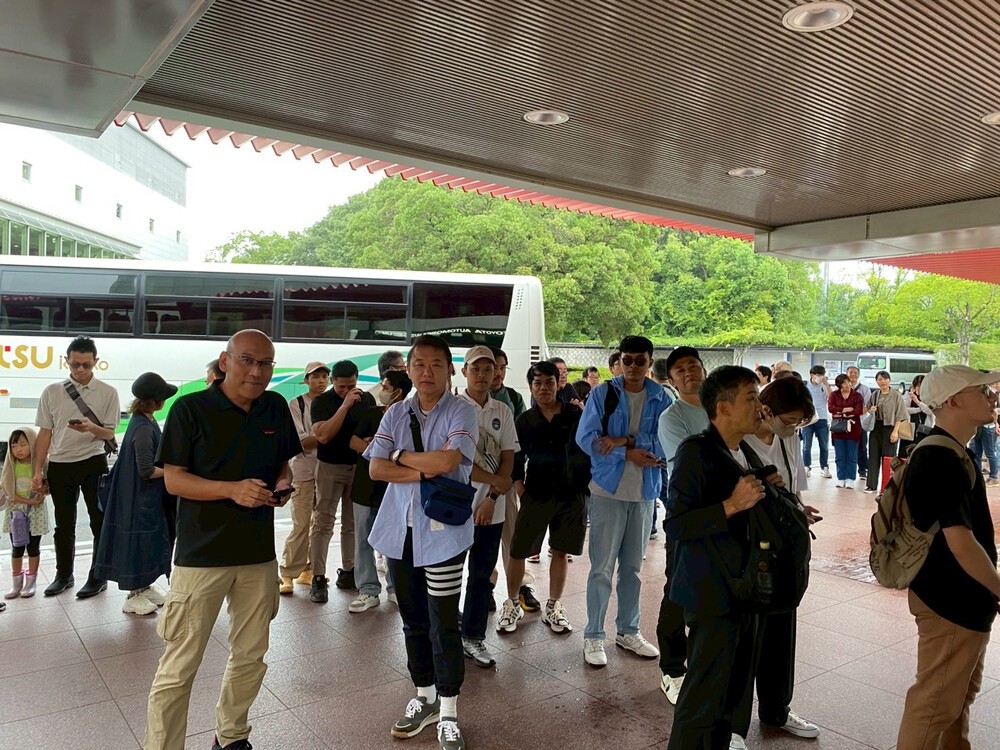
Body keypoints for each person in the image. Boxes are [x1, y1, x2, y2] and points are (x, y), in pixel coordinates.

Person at [144, 329, 300, 750]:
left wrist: (282, 483)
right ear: (226, 361)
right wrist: (231, 490)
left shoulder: (274, 406)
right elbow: (175, 481)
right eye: (247, 360)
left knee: (250, 656)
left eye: (265, 363)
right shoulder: (190, 408)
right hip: (201, 556)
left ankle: (231, 737)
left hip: (257, 555)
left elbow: (282, 463)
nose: (257, 371)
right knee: (180, 664)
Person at [366, 334, 478, 750]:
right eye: (419, 364)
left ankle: (448, 710)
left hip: (444, 536)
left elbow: (449, 461)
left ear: (450, 370)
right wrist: (420, 469)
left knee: (443, 622)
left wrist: (399, 457)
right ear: (408, 370)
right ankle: (425, 697)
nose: (427, 372)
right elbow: (375, 470)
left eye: (436, 364)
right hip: (400, 532)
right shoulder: (396, 412)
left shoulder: (462, 410)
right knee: (413, 620)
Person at [665, 366, 769, 749]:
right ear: (723, 408)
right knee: (703, 694)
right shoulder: (695, 452)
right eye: (751, 398)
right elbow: (677, 523)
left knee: (733, 690)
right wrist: (731, 505)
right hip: (711, 592)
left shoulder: (745, 452)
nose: (759, 407)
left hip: (743, 588)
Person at [896, 365, 1000, 748]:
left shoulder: (957, 452)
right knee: (935, 704)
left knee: (956, 701)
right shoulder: (940, 458)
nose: (992, 396)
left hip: (963, 599)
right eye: (982, 391)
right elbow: (961, 543)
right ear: (954, 401)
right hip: (950, 601)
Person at [577, 335, 669, 667]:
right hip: (607, 491)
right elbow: (587, 439)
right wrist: (627, 453)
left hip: (644, 493)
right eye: (626, 360)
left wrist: (625, 440)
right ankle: (593, 635)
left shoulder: (662, 397)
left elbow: (667, 441)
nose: (632, 366)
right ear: (619, 362)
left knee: (633, 569)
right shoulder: (604, 394)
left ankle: (628, 630)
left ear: (649, 363)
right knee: (601, 568)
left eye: (639, 361)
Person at [739, 377, 822, 743]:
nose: (794, 428)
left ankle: (777, 710)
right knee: (746, 639)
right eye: (790, 421)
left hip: (784, 553)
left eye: (800, 422)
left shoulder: (789, 438)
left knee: (781, 634)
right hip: (750, 552)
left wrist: (800, 509)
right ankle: (733, 726)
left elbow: (792, 486)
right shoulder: (740, 440)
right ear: (767, 410)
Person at [499, 361, 590, 635]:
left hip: (571, 494)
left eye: (549, 382)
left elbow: (589, 448)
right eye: (537, 383)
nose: (543, 388)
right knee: (518, 551)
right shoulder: (524, 420)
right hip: (536, 493)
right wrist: (520, 487)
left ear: (557, 384)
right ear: (531, 387)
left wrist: (584, 488)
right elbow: (516, 457)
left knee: (561, 550)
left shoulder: (575, 414)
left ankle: (553, 606)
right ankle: (512, 603)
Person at [33, 336, 120, 598]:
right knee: (63, 524)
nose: (80, 370)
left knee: (98, 522)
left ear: (96, 362)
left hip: (93, 461)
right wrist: (38, 470)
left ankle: (98, 577)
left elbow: (109, 433)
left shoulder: (108, 392)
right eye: (75, 364)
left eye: (86, 365)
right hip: (60, 464)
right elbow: (44, 433)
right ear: (66, 361)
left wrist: (91, 428)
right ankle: (63, 575)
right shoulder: (51, 392)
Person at [93, 373, 178, 615]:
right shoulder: (143, 428)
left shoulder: (142, 420)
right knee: (138, 543)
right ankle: (133, 594)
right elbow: (146, 470)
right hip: (140, 499)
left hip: (141, 497)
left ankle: (144, 586)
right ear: (156, 401)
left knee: (146, 542)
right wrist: (175, 472)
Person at [655, 346, 709, 705]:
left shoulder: (721, 407)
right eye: (680, 370)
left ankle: (703, 662)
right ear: (672, 380)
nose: (688, 373)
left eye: (693, 366)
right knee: (678, 588)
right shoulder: (672, 417)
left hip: (725, 511)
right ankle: (672, 669)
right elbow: (690, 463)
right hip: (688, 511)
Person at [458, 346, 518, 667]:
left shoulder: (502, 411)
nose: (482, 375)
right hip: (455, 508)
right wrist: (498, 482)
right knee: (447, 575)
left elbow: (508, 457)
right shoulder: (452, 408)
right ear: (464, 371)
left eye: (489, 369)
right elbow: (457, 462)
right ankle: (446, 632)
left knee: (481, 575)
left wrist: (492, 497)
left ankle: (473, 636)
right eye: (475, 369)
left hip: (491, 511)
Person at [310, 359, 376, 600]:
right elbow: (323, 435)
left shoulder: (366, 399)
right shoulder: (322, 402)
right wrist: (345, 405)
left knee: (353, 522)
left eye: (352, 386)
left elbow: (371, 429)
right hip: (330, 466)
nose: (348, 391)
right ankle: (318, 577)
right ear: (333, 382)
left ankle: (349, 570)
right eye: (342, 388)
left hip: (358, 466)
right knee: (323, 521)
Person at [348, 370, 412, 612]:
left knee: (394, 540)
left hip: (394, 489)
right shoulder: (371, 413)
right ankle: (368, 589)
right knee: (363, 539)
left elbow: (406, 452)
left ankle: (396, 588)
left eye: (385, 387)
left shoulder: (410, 417)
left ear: (398, 392)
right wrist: (383, 450)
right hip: (365, 486)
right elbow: (354, 442)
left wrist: (379, 447)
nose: (381, 390)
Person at [487, 346, 534, 603]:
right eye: (493, 367)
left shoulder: (513, 399)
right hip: (478, 481)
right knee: (483, 539)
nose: (498, 373)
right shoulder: (470, 399)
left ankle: (520, 587)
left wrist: (517, 479)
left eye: (503, 367)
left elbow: (521, 443)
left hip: (507, 481)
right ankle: (486, 587)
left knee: (512, 536)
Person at [278, 362, 329, 594]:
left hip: (326, 471)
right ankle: (287, 573)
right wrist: (328, 434)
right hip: (302, 472)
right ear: (306, 380)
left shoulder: (330, 403)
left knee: (320, 525)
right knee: (301, 524)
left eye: (324, 376)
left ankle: (309, 571)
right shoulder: (296, 404)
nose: (320, 381)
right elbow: (302, 442)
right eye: (315, 377)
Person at [2, 427, 49, 602]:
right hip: (16, 513)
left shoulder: (41, 465)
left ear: (33, 444)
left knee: (33, 547)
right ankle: (16, 584)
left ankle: (31, 583)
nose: (18, 450)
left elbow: (48, 488)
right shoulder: (10, 466)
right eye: (14, 446)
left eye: (23, 444)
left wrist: (41, 491)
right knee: (17, 548)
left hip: (35, 513)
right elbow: (9, 492)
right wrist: (29, 502)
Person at [864, 370, 908, 493]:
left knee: (888, 458)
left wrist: (895, 431)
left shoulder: (896, 395)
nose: (883, 382)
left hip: (890, 428)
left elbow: (900, 415)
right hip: (876, 427)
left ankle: (887, 486)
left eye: (885, 379)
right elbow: (868, 408)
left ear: (889, 380)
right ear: (876, 381)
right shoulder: (875, 394)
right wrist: (871, 410)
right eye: (880, 379)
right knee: (873, 456)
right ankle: (871, 485)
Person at [828, 374, 865, 488]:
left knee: (852, 455)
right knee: (839, 455)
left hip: (853, 429)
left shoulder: (857, 395)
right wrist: (845, 409)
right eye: (844, 383)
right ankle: (841, 478)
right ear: (839, 385)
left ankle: (850, 479)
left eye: (848, 382)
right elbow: (831, 408)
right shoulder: (834, 395)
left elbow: (858, 411)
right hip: (838, 429)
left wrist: (840, 413)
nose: (847, 385)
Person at [802, 365, 832, 479]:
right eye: (818, 375)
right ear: (812, 375)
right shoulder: (805, 385)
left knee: (824, 445)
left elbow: (831, 397)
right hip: (808, 419)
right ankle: (806, 467)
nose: (819, 377)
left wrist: (826, 384)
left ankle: (824, 467)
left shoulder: (824, 386)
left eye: (822, 375)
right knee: (806, 445)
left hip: (822, 418)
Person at [898, 374, 935, 460]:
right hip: (909, 429)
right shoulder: (908, 395)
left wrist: (917, 401)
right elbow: (904, 409)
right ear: (914, 386)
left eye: (923, 385)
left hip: (924, 429)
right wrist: (919, 409)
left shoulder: (930, 397)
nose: (920, 388)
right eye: (918, 386)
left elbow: (930, 411)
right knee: (905, 455)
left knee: (922, 455)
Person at [846, 366, 872, 480]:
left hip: (860, 423)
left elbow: (868, 406)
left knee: (862, 447)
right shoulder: (841, 388)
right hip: (845, 424)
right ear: (846, 374)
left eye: (855, 372)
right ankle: (847, 472)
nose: (853, 374)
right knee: (846, 447)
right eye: (850, 372)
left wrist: (854, 414)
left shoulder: (865, 389)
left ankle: (863, 470)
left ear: (858, 375)